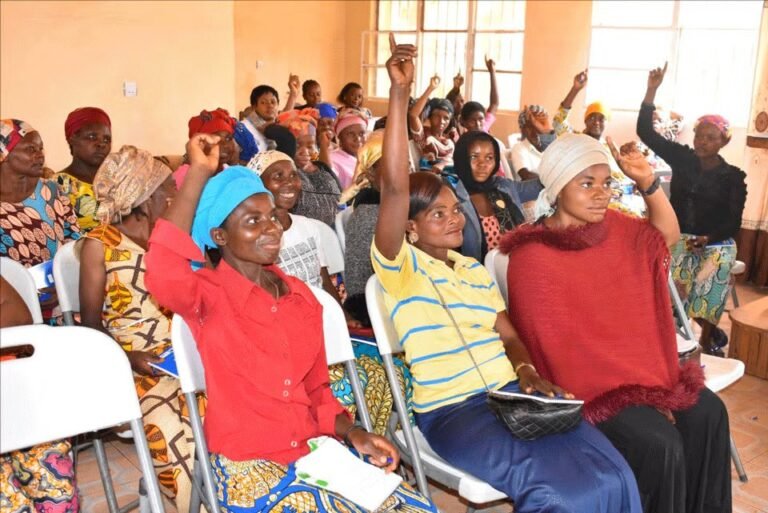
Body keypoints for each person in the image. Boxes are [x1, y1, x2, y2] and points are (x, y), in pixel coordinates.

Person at [372, 35, 641, 513]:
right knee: (554, 493)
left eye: (455, 210)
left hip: (513, 393)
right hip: (454, 411)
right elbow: (394, 187)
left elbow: (508, 332)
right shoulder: (399, 269)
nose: (455, 220)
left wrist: (527, 371)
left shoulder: (473, 271)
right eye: (437, 215)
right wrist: (399, 94)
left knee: (614, 470)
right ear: (408, 228)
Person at [143, 134, 436, 513]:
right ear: (220, 236)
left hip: (313, 453)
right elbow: (164, 266)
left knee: (413, 508)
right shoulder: (207, 295)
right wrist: (199, 172)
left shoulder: (301, 298)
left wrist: (356, 433)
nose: (272, 228)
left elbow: (316, 391)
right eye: (253, 221)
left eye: (271, 217)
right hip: (248, 465)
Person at [501, 132, 731, 513]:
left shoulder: (617, 228)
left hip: (641, 369)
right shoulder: (533, 256)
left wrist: (647, 182)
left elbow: (666, 235)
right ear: (558, 188)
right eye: (586, 184)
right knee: (659, 442)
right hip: (588, 387)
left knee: (710, 413)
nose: (600, 194)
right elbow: (555, 350)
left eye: (606, 183)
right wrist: (637, 393)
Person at [78, 145, 201, 511]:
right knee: (171, 429)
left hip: (186, 352)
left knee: (222, 415)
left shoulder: (174, 236)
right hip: (136, 366)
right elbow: (91, 327)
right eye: (168, 188)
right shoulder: (99, 247)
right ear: (145, 197)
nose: (175, 195)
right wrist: (129, 357)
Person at [637, 62, 747, 355]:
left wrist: (708, 238)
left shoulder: (733, 177)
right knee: (668, 291)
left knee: (716, 267)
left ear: (723, 141)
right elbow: (646, 133)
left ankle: (707, 338)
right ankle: (694, 331)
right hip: (678, 238)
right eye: (699, 135)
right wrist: (651, 92)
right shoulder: (683, 158)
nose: (702, 141)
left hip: (713, 244)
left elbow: (733, 221)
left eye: (711, 137)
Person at [0, 119, 80, 513]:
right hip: (19, 309)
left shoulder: (51, 191)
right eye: (28, 148)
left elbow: (75, 241)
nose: (39, 154)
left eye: (40, 147)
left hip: (59, 300)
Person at [552, 70, 646, 218]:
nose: (596, 122)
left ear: (606, 122)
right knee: (634, 219)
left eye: (601, 118)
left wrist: (632, 183)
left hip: (619, 194)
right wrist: (575, 89)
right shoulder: (577, 139)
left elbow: (619, 173)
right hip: (596, 197)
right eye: (592, 118)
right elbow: (558, 122)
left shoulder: (608, 145)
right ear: (585, 120)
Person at [451, 131, 541, 260]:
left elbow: (544, 183)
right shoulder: (454, 198)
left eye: (489, 158)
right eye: (474, 157)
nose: (482, 164)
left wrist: (548, 134)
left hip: (517, 265)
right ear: (461, 159)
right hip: (480, 274)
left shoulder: (504, 187)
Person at [278, 109, 341, 226]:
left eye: (310, 145)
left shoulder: (321, 168)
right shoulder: (285, 176)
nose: (305, 152)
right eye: (297, 145)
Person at [56, 107, 112, 232]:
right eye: (92, 137)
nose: (101, 144)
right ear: (72, 139)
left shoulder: (117, 182)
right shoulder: (59, 184)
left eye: (107, 139)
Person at [174, 108, 237, 186]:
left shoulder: (231, 172)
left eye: (228, 138)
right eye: (215, 138)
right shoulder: (185, 175)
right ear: (199, 144)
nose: (225, 144)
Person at [409, 77, 454, 173]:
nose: (442, 121)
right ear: (429, 117)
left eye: (446, 118)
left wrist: (443, 164)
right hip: (428, 180)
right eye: (437, 116)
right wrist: (431, 88)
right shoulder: (424, 138)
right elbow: (413, 115)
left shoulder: (450, 140)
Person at [449, 57, 500, 140]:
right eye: (472, 121)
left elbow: (494, 103)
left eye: (481, 119)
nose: (478, 124)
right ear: (463, 122)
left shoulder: (483, 129)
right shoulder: (461, 140)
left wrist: (492, 71)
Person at [509, 105, 556, 180]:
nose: (536, 131)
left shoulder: (551, 148)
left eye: (540, 126)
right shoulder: (519, 148)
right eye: (531, 127)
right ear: (523, 130)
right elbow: (526, 176)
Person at [330, 112, 367, 189]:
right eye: (350, 134)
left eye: (362, 133)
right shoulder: (333, 159)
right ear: (339, 138)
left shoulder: (370, 157)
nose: (358, 139)